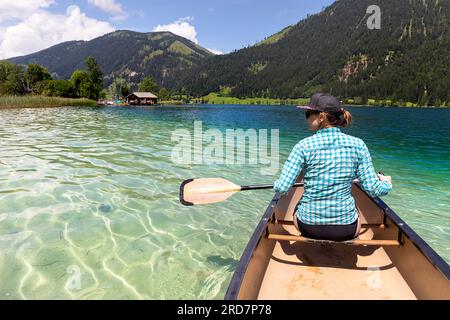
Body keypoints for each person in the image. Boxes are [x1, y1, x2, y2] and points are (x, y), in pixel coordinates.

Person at [274, 93, 392, 241]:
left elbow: (283, 188)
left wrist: (276, 184)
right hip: (347, 229)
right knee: (354, 211)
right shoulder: (358, 145)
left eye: (308, 113)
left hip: (308, 227)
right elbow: (373, 189)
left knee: (300, 204)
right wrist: (387, 182)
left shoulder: (303, 146)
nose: (306, 117)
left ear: (321, 117)